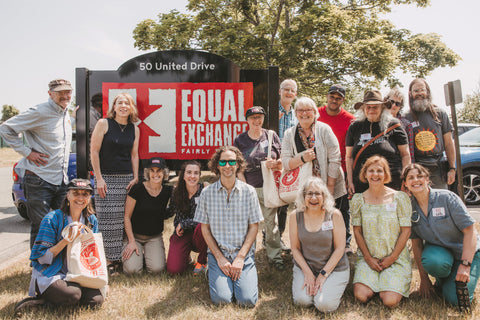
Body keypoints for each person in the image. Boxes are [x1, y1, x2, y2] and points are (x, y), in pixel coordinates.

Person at [0, 79, 73, 249]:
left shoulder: (65, 111)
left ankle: (56, 264)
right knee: (41, 227)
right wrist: (27, 153)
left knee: (63, 224)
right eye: (60, 92)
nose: (65, 95)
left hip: (60, 179)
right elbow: (6, 129)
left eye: (68, 92)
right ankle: (38, 269)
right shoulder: (40, 111)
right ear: (50, 94)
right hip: (39, 179)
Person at [14, 179, 103, 314]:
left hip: (80, 273)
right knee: (73, 294)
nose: (80, 198)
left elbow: (94, 254)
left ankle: (59, 298)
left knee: (96, 301)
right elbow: (41, 258)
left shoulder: (91, 220)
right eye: (76, 193)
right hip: (53, 273)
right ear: (68, 195)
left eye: (85, 194)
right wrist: (66, 240)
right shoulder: (52, 219)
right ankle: (41, 301)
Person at [402, 163, 480, 306]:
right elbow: (417, 244)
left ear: (427, 179)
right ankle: (445, 278)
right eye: (410, 177)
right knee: (433, 261)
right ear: (405, 184)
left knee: (454, 301)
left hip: (467, 254)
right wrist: (424, 280)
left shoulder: (447, 198)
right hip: (441, 254)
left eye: (419, 176)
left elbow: (470, 231)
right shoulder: (410, 209)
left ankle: (450, 280)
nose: (415, 180)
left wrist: (465, 265)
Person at [194, 146, 263, 306]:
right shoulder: (207, 193)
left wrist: (240, 258)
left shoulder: (249, 192)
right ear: (217, 165)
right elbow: (205, 228)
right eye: (223, 162)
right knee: (222, 300)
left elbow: (254, 227)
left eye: (232, 161)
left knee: (247, 301)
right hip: (218, 254)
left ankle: (237, 275)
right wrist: (219, 257)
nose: (227, 166)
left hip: (243, 255)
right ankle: (212, 270)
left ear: (238, 164)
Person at [350, 156, 412, 308]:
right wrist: (368, 258)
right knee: (361, 296)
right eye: (371, 171)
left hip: (395, 259)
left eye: (379, 171)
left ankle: (388, 284)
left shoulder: (399, 198)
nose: (375, 175)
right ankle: (375, 281)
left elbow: (406, 231)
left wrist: (392, 257)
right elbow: (357, 231)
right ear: (365, 174)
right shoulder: (358, 199)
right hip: (369, 258)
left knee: (389, 301)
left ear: (386, 175)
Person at [90, 92, 140, 273]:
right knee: (106, 221)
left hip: (126, 180)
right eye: (120, 103)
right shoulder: (103, 124)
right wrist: (99, 178)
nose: (123, 106)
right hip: (106, 180)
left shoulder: (135, 129)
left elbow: (134, 155)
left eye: (127, 103)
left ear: (131, 107)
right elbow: (94, 152)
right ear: (114, 106)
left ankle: (120, 260)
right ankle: (107, 261)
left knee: (122, 220)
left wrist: (135, 177)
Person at [234, 106, 284, 270]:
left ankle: (275, 257)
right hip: (249, 186)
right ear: (247, 120)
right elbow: (238, 167)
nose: (256, 121)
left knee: (271, 223)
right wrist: (245, 188)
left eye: (259, 117)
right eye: (253, 117)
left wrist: (276, 164)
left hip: (269, 186)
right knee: (250, 224)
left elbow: (283, 159)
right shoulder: (240, 140)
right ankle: (248, 256)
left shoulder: (271, 136)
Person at [289, 177, 349, 312]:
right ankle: (318, 289)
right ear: (303, 196)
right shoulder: (295, 216)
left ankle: (330, 289)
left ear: (324, 196)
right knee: (302, 301)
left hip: (334, 268)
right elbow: (295, 249)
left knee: (324, 305)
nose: (313, 198)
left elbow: (340, 249)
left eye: (318, 193)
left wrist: (323, 275)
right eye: (309, 193)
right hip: (307, 267)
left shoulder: (334, 215)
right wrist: (308, 274)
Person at [281, 97, 347, 212]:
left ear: (315, 112)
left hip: (329, 184)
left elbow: (335, 159)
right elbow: (285, 163)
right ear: (296, 114)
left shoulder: (324, 130)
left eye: (308, 110)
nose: (304, 113)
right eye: (300, 110)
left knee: (331, 223)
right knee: (307, 223)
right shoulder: (289, 134)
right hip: (304, 190)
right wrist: (302, 159)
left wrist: (329, 189)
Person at [346, 90, 410, 196]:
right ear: (363, 108)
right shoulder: (354, 127)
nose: (371, 110)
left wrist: (405, 179)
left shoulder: (394, 125)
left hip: (392, 184)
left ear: (382, 108)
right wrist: (350, 181)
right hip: (362, 185)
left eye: (375, 107)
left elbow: (405, 155)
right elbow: (349, 157)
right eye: (368, 107)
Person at [317, 84, 355, 249]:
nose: (334, 100)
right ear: (327, 96)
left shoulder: (350, 119)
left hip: (341, 170)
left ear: (343, 100)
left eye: (338, 98)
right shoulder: (316, 114)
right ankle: (320, 239)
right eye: (332, 96)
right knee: (318, 205)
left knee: (341, 208)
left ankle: (345, 241)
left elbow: (351, 149)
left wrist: (350, 175)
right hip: (318, 168)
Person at [122, 157, 173, 274]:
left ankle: (147, 257)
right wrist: (131, 241)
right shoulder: (137, 189)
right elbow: (126, 217)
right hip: (134, 236)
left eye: (159, 170)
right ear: (148, 173)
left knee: (157, 269)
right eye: (152, 170)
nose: (155, 174)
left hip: (154, 237)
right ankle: (136, 257)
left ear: (164, 173)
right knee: (132, 271)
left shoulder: (168, 191)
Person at [404, 78, 456, 189]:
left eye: (422, 90)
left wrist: (452, 168)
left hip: (438, 168)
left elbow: (448, 144)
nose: (419, 93)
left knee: (440, 201)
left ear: (427, 92)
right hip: (416, 168)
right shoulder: (406, 117)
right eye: (416, 91)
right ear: (410, 94)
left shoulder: (439, 114)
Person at [166, 160, 208, 275]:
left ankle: (203, 261)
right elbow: (170, 211)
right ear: (183, 175)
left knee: (202, 226)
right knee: (174, 270)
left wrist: (184, 223)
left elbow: (207, 217)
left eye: (196, 173)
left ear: (199, 175)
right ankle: (186, 257)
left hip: (201, 233)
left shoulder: (205, 189)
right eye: (189, 172)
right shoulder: (176, 191)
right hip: (182, 233)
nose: (192, 176)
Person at [277, 78, 299, 251]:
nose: (289, 93)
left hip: (289, 162)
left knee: (285, 201)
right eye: (286, 89)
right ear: (280, 91)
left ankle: (280, 237)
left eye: (292, 90)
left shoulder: (297, 115)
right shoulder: (270, 110)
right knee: (273, 200)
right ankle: (269, 236)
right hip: (272, 162)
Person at [384, 87, 414, 163]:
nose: (393, 105)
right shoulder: (375, 120)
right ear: (385, 101)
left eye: (397, 104)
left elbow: (410, 152)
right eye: (391, 102)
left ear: (400, 107)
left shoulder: (406, 125)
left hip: (398, 167)